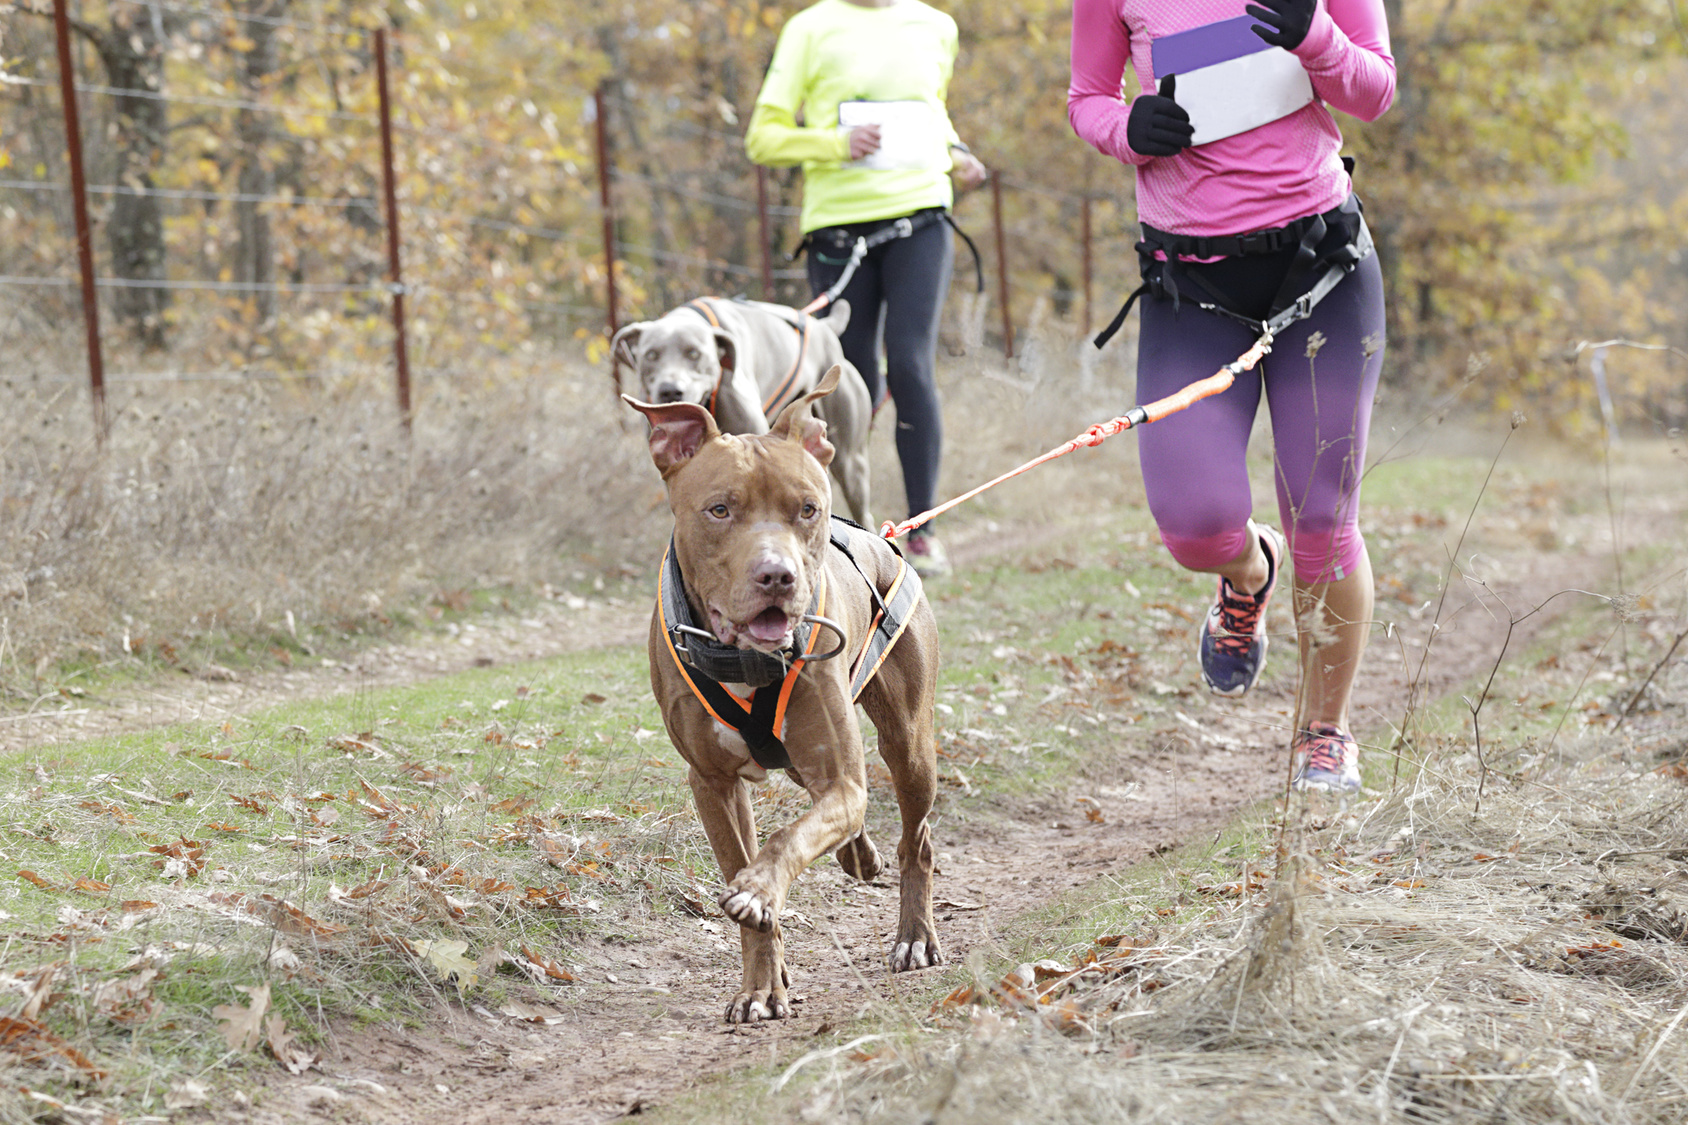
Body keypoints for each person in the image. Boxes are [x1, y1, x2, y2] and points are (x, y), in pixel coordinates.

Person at [1068, 0, 1395, 792]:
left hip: (1321, 266)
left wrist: (1312, 32)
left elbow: (1374, 90)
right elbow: (1088, 98)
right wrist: (1126, 129)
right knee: (1194, 529)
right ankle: (1249, 575)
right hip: (1192, 283)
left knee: (1321, 519)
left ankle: (1325, 732)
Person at [746, 0, 988, 578]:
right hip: (838, 228)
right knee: (849, 380)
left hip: (921, 220)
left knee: (910, 363)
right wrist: (835, 143)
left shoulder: (937, 26)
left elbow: (933, 116)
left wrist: (958, 155)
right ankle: (837, 529)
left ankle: (921, 531)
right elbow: (764, 138)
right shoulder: (811, 27)